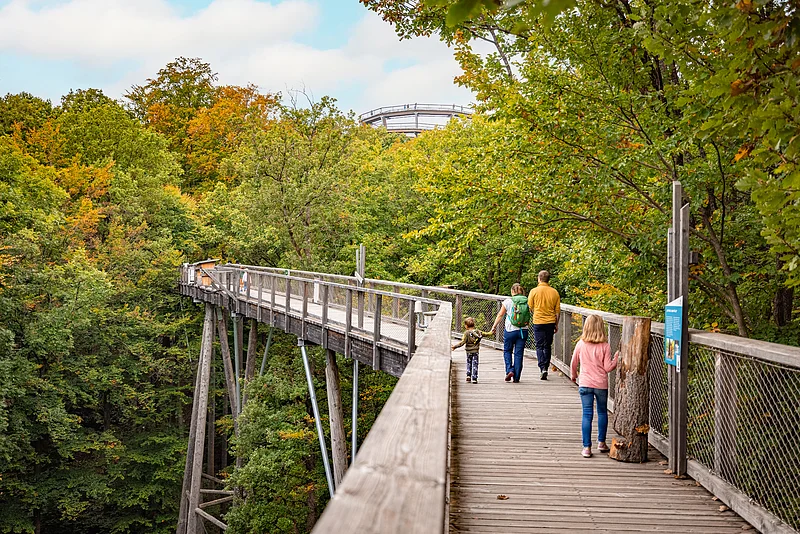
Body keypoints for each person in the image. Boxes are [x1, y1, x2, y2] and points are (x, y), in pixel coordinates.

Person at [569, 314, 619, 458]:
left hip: (585, 383)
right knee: (602, 412)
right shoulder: (605, 346)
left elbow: (574, 362)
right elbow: (608, 368)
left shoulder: (581, 344)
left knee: (587, 414)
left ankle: (586, 448)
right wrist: (616, 358)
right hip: (601, 384)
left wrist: (573, 375)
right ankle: (601, 443)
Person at [491, 283, 529, 383]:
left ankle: (509, 370)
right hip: (523, 331)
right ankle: (517, 377)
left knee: (507, 351)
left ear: (512, 291)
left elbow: (500, 315)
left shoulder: (508, 301)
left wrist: (494, 326)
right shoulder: (527, 301)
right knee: (518, 354)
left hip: (510, 331)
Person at [528, 270, 560, 380]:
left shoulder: (534, 291)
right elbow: (557, 311)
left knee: (539, 345)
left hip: (538, 321)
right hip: (550, 322)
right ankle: (546, 366)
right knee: (547, 345)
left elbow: (530, 307)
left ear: (539, 279)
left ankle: (542, 367)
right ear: (548, 279)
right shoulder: (554, 292)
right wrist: (556, 324)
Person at [451, 317, 493, 384]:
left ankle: (468, 375)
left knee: (469, 363)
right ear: (474, 325)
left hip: (468, 351)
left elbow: (463, 342)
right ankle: (474, 378)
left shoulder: (466, 333)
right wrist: (491, 333)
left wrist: (455, 347)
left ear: (466, 326)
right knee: (475, 364)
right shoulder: (478, 332)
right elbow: (485, 334)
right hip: (475, 351)